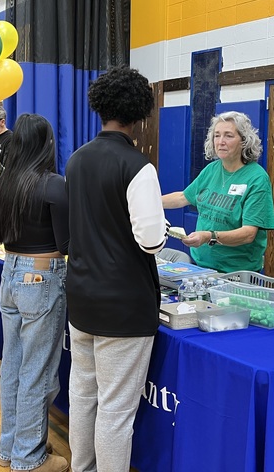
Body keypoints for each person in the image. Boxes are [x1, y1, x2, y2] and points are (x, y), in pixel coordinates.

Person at [65, 67, 168, 472]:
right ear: (139, 113)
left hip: (82, 296)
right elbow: (151, 241)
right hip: (123, 306)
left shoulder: (77, 159)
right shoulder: (138, 166)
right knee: (115, 410)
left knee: (82, 394)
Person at [0, 114, 70, 472]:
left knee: (13, 366)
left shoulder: (6, 183)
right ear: (47, 144)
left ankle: (12, 448)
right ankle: (29, 456)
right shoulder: (53, 184)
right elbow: (67, 244)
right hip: (41, 277)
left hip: (10, 273)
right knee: (37, 371)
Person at [162, 111, 274, 273]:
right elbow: (183, 197)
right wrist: (147, 203)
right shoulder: (211, 169)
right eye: (217, 135)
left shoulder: (257, 178)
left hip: (236, 273)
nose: (221, 141)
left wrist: (210, 236)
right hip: (200, 266)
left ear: (244, 141)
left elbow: (248, 234)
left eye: (228, 136)